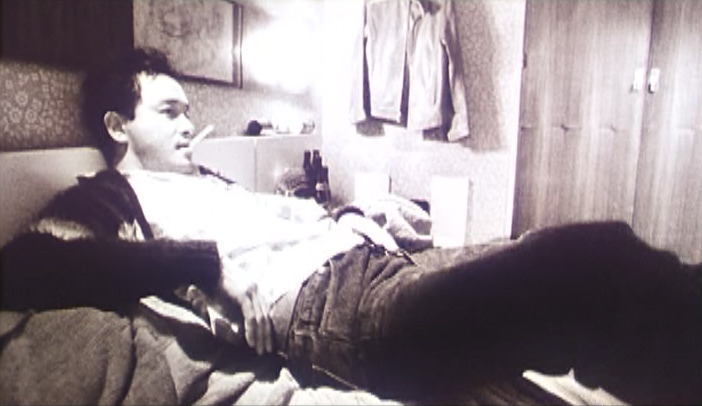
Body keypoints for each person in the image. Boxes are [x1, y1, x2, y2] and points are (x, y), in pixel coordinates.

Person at [1, 48, 700, 405]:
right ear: (117, 125)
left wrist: (355, 214)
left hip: (376, 262)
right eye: (169, 112)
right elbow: (26, 267)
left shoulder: (208, 179)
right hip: (340, 311)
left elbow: (287, 221)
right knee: (591, 264)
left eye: (188, 110)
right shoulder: (112, 195)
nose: (189, 123)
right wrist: (204, 264)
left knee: (556, 256)